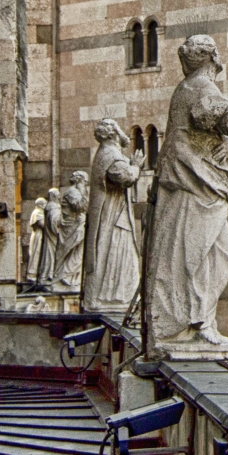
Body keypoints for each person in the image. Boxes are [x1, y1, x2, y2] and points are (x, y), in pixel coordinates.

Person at [144, 34, 228, 356]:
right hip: (195, 181)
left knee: (200, 253)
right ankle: (192, 323)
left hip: (189, 177)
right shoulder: (203, 87)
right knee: (206, 254)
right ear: (214, 57)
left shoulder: (185, 87)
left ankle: (197, 320)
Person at [81, 118, 142, 313]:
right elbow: (126, 177)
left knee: (118, 252)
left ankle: (115, 295)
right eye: (118, 129)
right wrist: (137, 166)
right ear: (113, 133)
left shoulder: (107, 153)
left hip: (114, 212)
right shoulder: (110, 155)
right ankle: (114, 297)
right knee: (118, 251)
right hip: (113, 216)